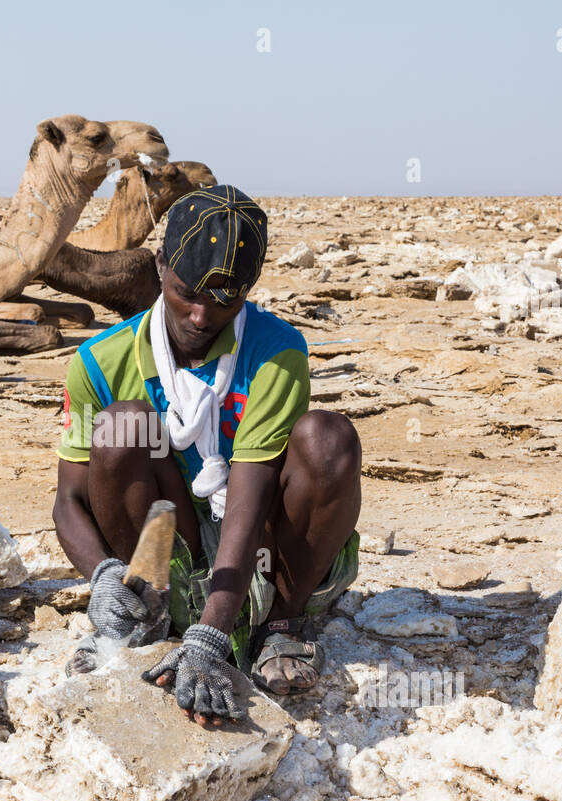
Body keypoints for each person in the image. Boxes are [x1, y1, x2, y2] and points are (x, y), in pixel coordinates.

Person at [52, 184, 362, 726]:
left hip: (261, 545)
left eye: (224, 302)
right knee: (123, 428)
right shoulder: (99, 360)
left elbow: (247, 498)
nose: (200, 316)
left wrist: (211, 638)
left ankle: (279, 626)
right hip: (167, 541)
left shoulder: (275, 350)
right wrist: (100, 574)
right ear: (160, 266)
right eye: (186, 293)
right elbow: (69, 500)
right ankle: (146, 611)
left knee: (327, 439)